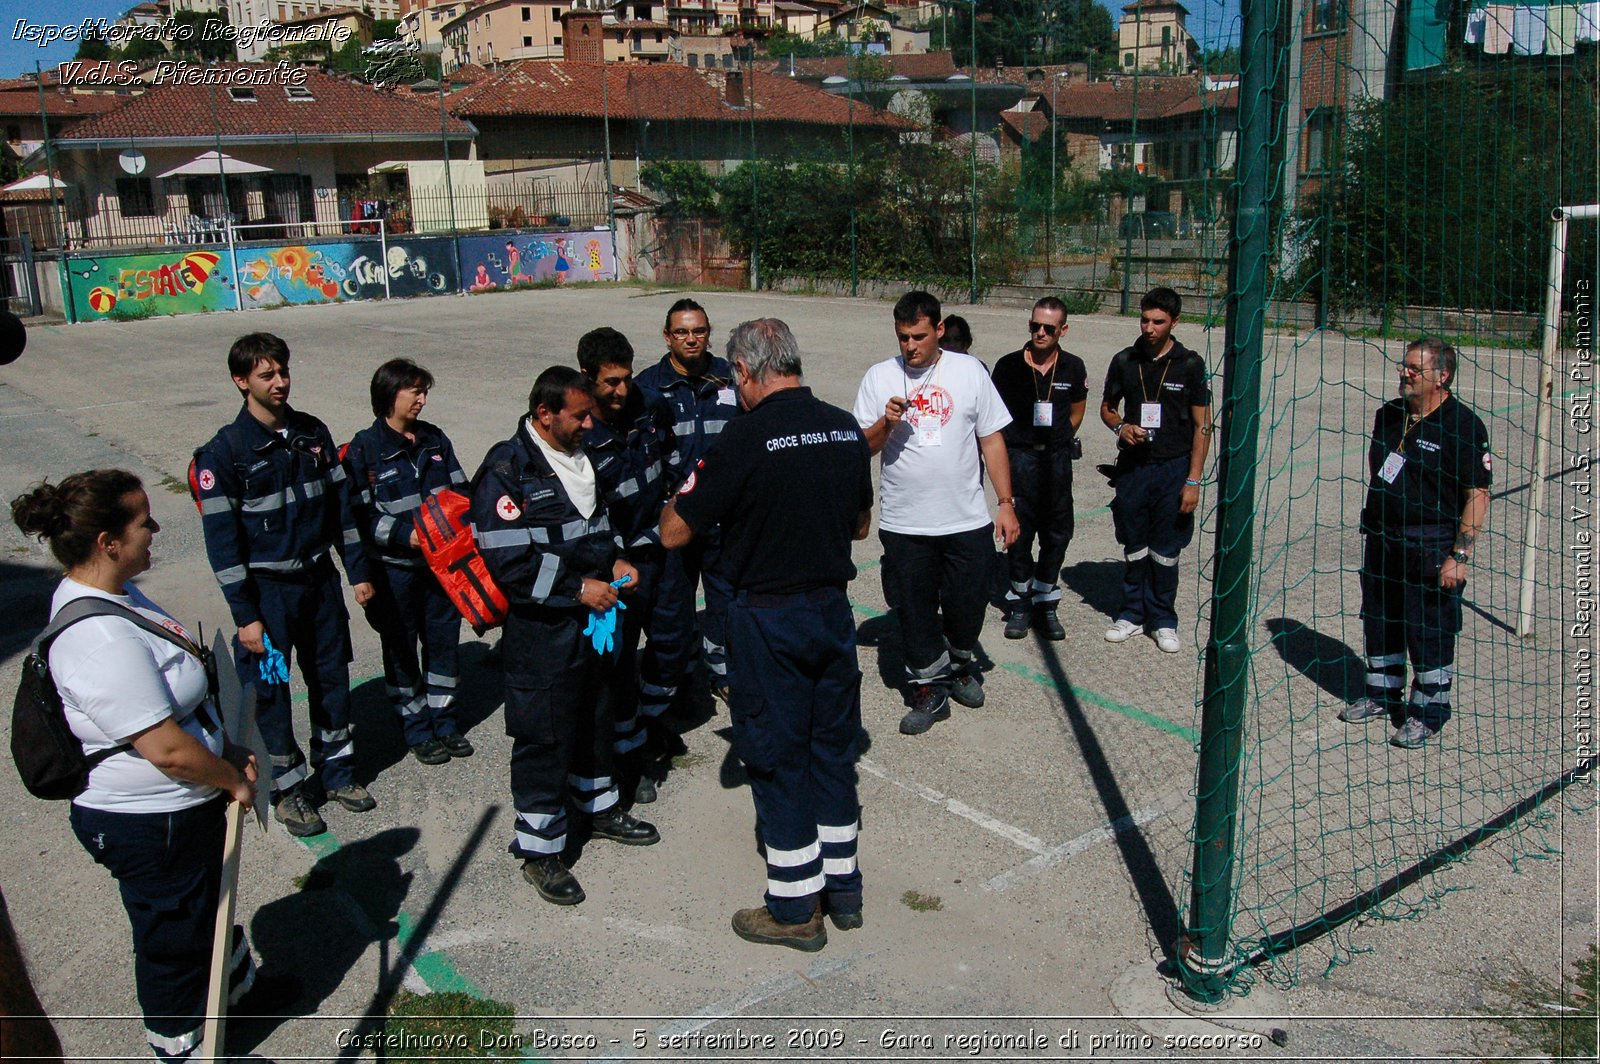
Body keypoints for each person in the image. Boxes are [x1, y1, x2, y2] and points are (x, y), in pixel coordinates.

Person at [11, 470, 288, 1062]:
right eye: (143, 521)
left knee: (207, 909)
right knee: (173, 944)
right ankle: (183, 1050)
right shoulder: (98, 640)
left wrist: (224, 745)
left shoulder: (116, 591)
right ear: (109, 542)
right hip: (151, 824)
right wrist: (231, 779)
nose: (157, 529)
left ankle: (236, 992)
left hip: (181, 813)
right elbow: (165, 750)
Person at [660, 318, 873, 952]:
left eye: (737, 380)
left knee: (777, 759)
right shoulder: (843, 428)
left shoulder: (742, 438)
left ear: (747, 373)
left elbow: (676, 532)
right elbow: (860, 527)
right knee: (832, 752)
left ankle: (793, 906)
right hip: (832, 613)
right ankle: (844, 889)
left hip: (767, 619)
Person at [471, 366, 658, 906]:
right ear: (544, 413)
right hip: (542, 634)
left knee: (596, 716)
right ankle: (541, 850)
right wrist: (579, 589)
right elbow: (508, 562)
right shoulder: (506, 470)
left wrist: (617, 556)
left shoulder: (584, 456)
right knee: (544, 736)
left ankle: (598, 809)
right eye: (579, 414)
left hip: (594, 627)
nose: (588, 422)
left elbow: (600, 523)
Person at [193, 332, 375, 838]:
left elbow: (343, 511)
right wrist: (245, 615)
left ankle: (338, 773)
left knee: (331, 676)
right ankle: (290, 789)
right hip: (267, 597)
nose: (279, 383)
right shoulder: (224, 454)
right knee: (271, 691)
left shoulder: (313, 433)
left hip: (319, 584)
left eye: (283, 372)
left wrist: (357, 571)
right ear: (241, 381)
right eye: (266, 375)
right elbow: (223, 546)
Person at [853, 291, 1019, 736]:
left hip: (965, 519)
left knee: (969, 602)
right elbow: (861, 450)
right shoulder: (879, 377)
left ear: (940, 330)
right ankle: (928, 686)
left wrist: (1005, 503)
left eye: (920, 336)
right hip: (906, 523)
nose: (911, 346)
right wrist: (885, 424)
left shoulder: (969, 372)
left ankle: (961, 663)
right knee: (914, 608)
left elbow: (992, 441)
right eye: (904, 337)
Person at [1342, 338, 1491, 749]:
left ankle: (1428, 712)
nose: (1404, 373)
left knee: (1428, 629)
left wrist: (1459, 556)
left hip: (1430, 545)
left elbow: (1477, 494)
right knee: (1380, 619)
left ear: (1442, 376)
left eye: (1414, 368)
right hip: (1383, 540)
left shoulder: (1463, 426)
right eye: (1403, 366)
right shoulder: (1388, 415)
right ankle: (1380, 694)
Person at [342, 358, 473, 767]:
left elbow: (461, 493)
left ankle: (445, 722)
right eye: (414, 391)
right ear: (388, 395)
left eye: (424, 391)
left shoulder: (435, 441)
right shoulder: (364, 449)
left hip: (441, 571)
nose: (422, 398)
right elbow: (358, 517)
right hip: (394, 571)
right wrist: (406, 537)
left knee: (443, 646)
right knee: (400, 650)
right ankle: (416, 729)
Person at [578, 328, 678, 804]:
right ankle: (628, 760)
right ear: (586, 378)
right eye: (609, 383)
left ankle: (654, 725)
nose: (621, 391)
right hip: (616, 569)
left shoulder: (651, 405)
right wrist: (611, 556)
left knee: (673, 643)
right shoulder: (577, 431)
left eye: (626, 378)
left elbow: (673, 462)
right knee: (616, 668)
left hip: (661, 554)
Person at [634, 298, 740, 713]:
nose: (691, 339)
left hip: (723, 520)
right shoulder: (646, 388)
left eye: (699, 331)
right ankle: (669, 688)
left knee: (725, 603)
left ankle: (722, 673)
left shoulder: (732, 379)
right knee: (672, 609)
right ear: (667, 337)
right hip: (673, 521)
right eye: (682, 332)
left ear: (709, 333)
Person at [1099, 287, 1212, 654]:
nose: (1149, 328)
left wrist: (1192, 480)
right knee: (1134, 543)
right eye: (1145, 319)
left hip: (1173, 467)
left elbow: (1203, 426)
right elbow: (1107, 408)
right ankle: (1131, 614)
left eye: (1158, 322)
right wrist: (1121, 427)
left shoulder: (1190, 364)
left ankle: (1162, 618)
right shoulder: (1124, 360)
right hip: (1134, 468)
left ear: (1174, 322)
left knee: (1166, 548)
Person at [990, 296, 1089, 640]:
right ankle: (1020, 599)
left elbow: (1077, 410)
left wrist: (1060, 438)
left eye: (1049, 327)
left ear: (1063, 330)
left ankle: (1045, 598)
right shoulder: (1008, 366)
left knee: (1058, 532)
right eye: (1035, 326)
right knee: (1018, 534)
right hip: (1019, 457)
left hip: (1056, 460)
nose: (1041, 333)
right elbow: (994, 418)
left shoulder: (1073, 367)